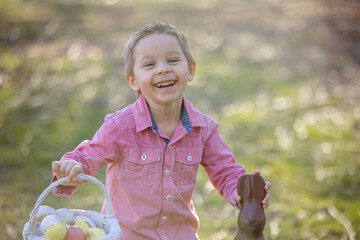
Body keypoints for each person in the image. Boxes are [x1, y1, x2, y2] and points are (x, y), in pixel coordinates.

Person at [52, 22, 271, 240]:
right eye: (149, 65)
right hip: (126, 235)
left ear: (191, 70)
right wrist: (73, 166)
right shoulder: (120, 127)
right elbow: (89, 155)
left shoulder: (203, 129)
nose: (163, 69)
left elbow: (225, 171)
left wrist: (245, 192)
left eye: (173, 60)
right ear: (133, 81)